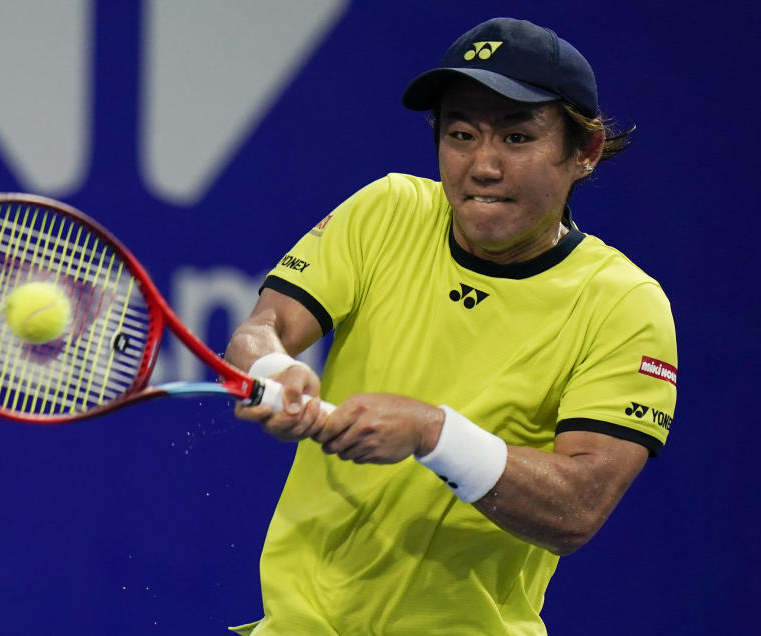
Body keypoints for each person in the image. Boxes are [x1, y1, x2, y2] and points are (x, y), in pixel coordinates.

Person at [225, 17, 677, 635]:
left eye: (516, 139)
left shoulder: (625, 305)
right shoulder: (387, 210)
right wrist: (274, 368)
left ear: (586, 152)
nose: (481, 166)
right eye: (461, 134)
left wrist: (432, 433)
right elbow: (263, 327)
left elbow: (578, 506)